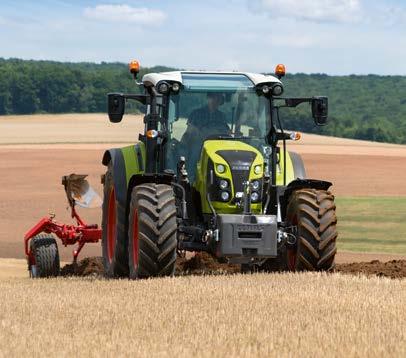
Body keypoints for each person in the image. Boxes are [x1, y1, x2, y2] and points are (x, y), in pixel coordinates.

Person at [179, 93, 230, 179]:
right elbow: (190, 131)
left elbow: (226, 132)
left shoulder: (222, 116)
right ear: (208, 98)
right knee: (195, 155)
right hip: (199, 144)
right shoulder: (196, 113)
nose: (215, 101)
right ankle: (191, 178)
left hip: (216, 146)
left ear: (220, 101)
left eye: (218, 99)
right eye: (213, 98)